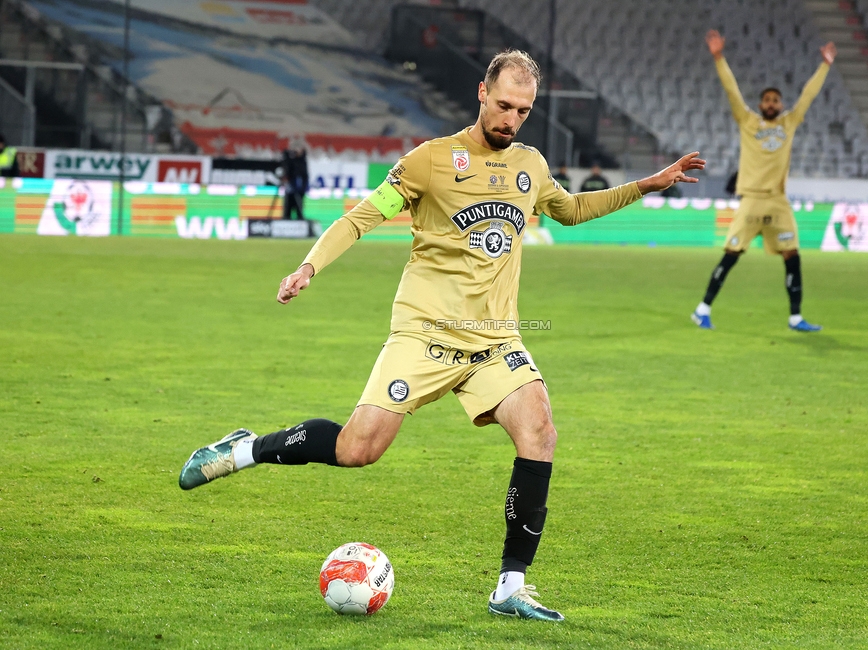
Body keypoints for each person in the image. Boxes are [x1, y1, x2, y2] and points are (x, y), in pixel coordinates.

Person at [178, 49, 705, 621]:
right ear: (482, 94)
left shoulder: (531, 165)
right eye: (503, 105)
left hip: (495, 341)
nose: (511, 119)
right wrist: (309, 266)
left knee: (540, 430)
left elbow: (572, 209)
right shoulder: (430, 161)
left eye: (523, 111)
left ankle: (510, 585)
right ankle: (247, 448)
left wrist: (649, 184)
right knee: (359, 451)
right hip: (423, 333)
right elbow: (362, 215)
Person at [691, 29, 835, 332]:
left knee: (792, 255)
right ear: (761, 104)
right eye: (767, 100)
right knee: (731, 255)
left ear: (781, 105)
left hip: (778, 201)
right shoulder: (748, 121)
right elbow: (732, 91)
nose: (771, 103)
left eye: (776, 100)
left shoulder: (789, 122)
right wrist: (718, 57)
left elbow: (808, 95)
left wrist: (824, 65)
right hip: (752, 198)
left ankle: (796, 317)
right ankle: (702, 309)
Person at [282, 147, 309, 220]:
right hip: (291, 190)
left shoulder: (302, 163)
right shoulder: (289, 162)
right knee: (288, 209)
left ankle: (299, 222)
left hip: (299, 190)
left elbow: (304, 175)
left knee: (298, 208)